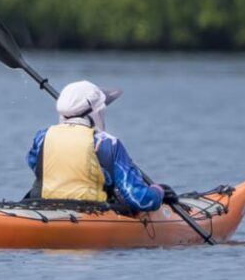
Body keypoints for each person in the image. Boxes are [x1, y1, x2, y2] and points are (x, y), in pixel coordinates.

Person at [27, 80, 170, 213]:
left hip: (45, 208)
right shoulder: (107, 143)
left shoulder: (42, 137)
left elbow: (37, 167)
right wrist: (158, 191)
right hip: (92, 213)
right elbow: (140, 201)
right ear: (97, 112)